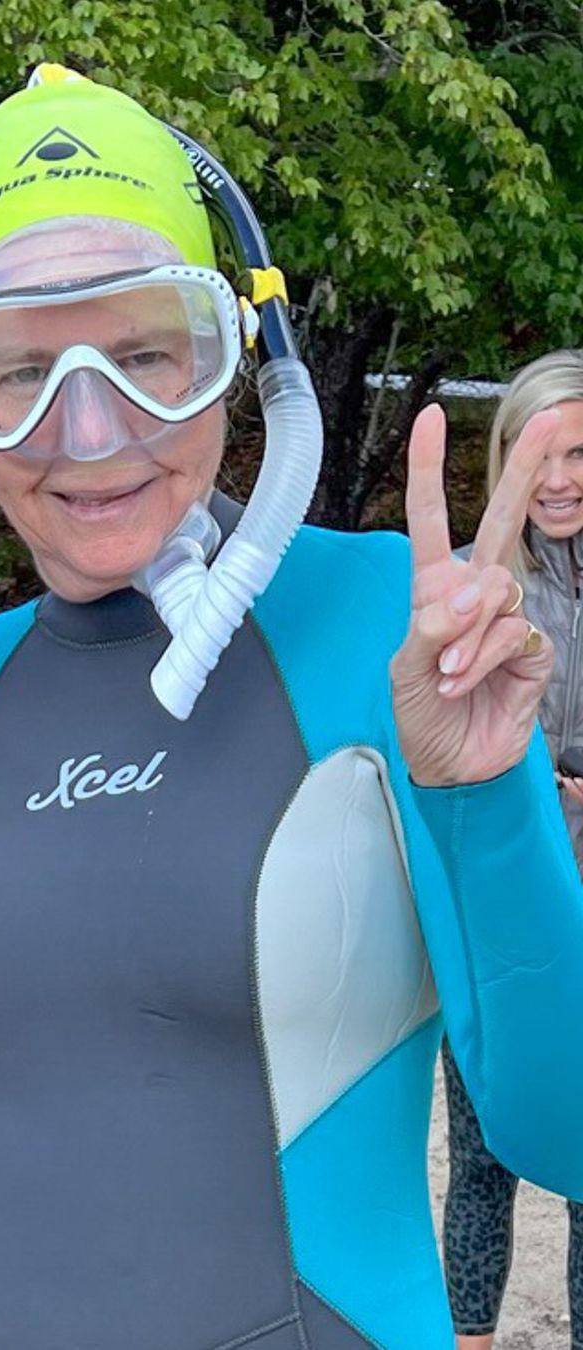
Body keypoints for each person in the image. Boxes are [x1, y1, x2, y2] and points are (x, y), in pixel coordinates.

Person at [0, 66, 583, 1349]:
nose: (89, 432)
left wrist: (485, 795)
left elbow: (565, 1128)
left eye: (148, 356)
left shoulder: (397, 626)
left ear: (234, 361)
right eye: (21, 374)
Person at [443, 350, 583, 1350]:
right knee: (482, 1156)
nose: (562, 480)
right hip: (493, 906)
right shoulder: (468, 585)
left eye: (581, 454)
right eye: (540, 456)